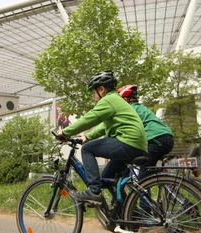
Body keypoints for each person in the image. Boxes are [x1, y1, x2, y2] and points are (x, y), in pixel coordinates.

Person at [58, 70, 148, 203]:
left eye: (94, 92)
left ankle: (94, 191)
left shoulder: (109, 100)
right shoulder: (116, 100)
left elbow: (90, 118)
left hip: (128, 142)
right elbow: (104, 127)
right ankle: (126, 213)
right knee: (107, 178)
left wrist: (66, 132)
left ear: (101, 89)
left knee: (87, 149)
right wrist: (86, 137)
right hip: (136, 144)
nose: (94, 96)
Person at [117, 84, 174, 178]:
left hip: (156, 139)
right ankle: (169, 184)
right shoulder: (141, 107)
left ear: (125, 99)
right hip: (167, 138)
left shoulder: (129, 110)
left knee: (143, 176)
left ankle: (143, 190)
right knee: (148, 167)